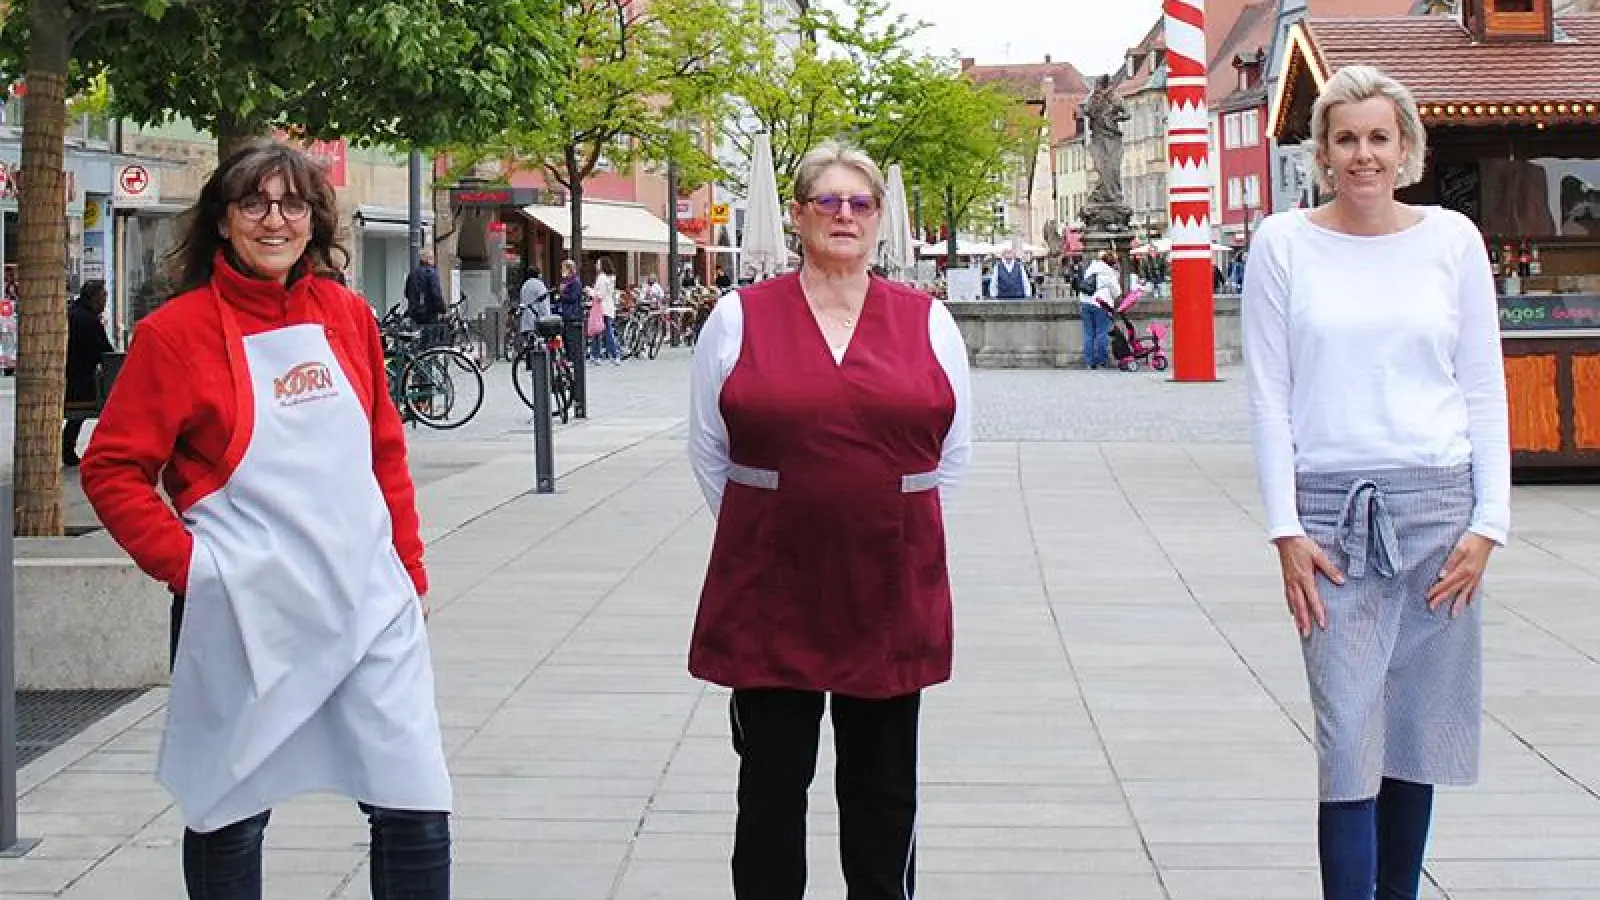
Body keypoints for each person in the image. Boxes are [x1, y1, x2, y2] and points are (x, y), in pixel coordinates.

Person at [79, 140, 452, 900]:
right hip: (245, 610)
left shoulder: (347, 315)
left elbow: (385, 455)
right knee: (230, 812)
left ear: (315, 220)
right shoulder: (173, 336)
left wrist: (408, 571)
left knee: (413, 804)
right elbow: (112, 468)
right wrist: (193, 570)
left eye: (292, 204)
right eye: (253, 203)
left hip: (367, 603)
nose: (274, 220)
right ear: (222, 221)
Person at [1241, 65, 1510, 900]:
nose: (1363, 155)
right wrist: (1285, 529)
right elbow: (1268, 395)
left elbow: (1481, 384)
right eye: (1346, 139)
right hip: (1329, 518)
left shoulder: (1451, 241)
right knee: (1349, 735)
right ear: (1322, 153)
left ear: (1406, 149)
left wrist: (1488, 523)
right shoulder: (1284, 244)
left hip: (1439, 505)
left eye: (1379, 138)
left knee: (1415, 735)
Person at [687, 139, 972, 900]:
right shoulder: (736, 318)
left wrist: (870, 512)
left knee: (883, 802)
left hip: (887, 589)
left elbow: (952, 456)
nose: (845, 216)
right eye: (828, 202)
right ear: (798, 215)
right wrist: (781, 522)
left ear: (878, 219)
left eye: (861, 203)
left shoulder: (929, 323)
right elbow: (710, 454)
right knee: (771, 796)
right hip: (771, 593)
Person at [63, 279, 114, 467]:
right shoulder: (88, 320)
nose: (105, 302)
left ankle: (68, 448)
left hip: (69, 379)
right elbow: (105, 353)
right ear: (93, 298)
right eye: (103, 297)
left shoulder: (72, 314)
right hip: (79, 383)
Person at [1080, 250, 1118, 369]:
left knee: (1088, 333)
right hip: (1100, 304)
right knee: (1102, 332)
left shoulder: (1091, 269)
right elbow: (1117, 292)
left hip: (1085, 302)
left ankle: (1089, 362)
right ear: (1111, 264)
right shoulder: (1108, 273)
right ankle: (1103, 361)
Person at [588, 257, 621, 365]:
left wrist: (589, 291)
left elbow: (599, 295)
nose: (596, 266)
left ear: (602, 265)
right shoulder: (611, 278)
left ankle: (601, 355)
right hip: (609, 307)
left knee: (600, 332)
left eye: (598, 264)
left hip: (601, 308)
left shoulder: (601, 278)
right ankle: (609, 355)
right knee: (606, 332)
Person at [404, 248, 446, 326]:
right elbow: (436, 294)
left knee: (417, 335)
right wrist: (442, 309)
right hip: (429, 314)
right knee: (430, 336)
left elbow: (406, 293)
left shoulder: (413, 273)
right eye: (432, 257)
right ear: (428, 259)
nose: (434, 260)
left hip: (414, 314)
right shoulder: (431, 273)